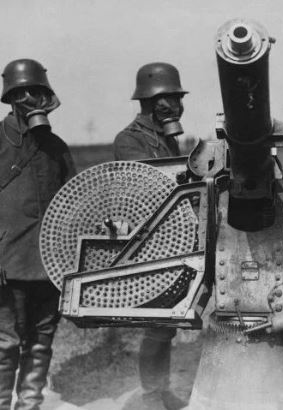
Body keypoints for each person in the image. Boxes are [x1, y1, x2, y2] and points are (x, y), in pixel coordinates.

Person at [0, 59, 75, 410]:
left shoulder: (56, 147)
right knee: (5, 342)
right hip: (6, 265)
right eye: (22, 92)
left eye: (37, 92)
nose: (31, 99)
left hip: (51, 264)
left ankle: (29, 405)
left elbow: (74, 201)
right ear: (9, 97)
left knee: (41, 342)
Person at [113, 62, 188, 410]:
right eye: (167, 99)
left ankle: (162, 389)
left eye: (176, 98)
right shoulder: (130, 140)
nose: (174, 106)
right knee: (156, 324)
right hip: (149, 240)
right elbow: (147, 185)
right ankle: (151, 395)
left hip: (172, 236)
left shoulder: (166, 138)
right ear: (150, 102)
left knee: (166, 323)